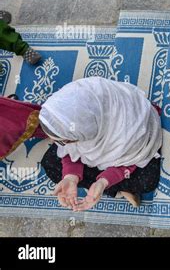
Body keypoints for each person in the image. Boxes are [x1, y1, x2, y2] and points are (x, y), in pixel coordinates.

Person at [39, 77, 163, 211]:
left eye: (61, 140)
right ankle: (116, 188)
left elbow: (131, 162)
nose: (53, 143)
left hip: (130, 151)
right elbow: (69, 151)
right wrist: (71, 177)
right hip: (93, 137)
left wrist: (104, 181)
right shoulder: (71, 107)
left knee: (147, 181)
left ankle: (114, 189)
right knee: (49, 163)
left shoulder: (130, 129)